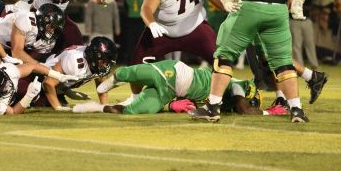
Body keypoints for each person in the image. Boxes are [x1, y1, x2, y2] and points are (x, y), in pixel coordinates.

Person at [88, 60, 280, 116]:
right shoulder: (238, 85)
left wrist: (171, 105)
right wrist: (267, 113)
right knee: (126, 73)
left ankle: (96, 108)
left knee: (132, 111)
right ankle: (106, 85)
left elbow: (192, 103)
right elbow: (243, 109)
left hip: (170, 93)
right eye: (250, 101)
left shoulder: (222, 102)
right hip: (174, 73)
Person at [41, 36, 117, 110]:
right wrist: (58, 107)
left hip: (57, 87)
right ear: (95, 56)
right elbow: (48, 83)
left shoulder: (95, 64)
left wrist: (104, 107)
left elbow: (101, 87)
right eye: (105, 61)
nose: (106, 65)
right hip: (40, 77)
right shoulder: (74, 61)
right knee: (42, 104)